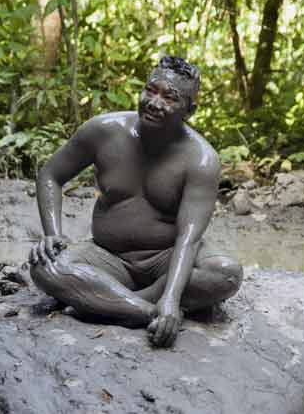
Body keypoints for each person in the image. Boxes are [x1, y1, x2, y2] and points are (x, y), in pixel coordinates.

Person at [29, 56, 243, 347]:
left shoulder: (201, 160)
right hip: (107, 256)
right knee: (46, 266)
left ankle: (104, 302)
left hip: (165, 260)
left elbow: (189, 239)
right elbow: (50, 175)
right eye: (150, 90)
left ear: (189, 110)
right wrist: (53, 235)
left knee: (225, 273)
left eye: (170, 97)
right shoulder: (103, 130)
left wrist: (170, 296)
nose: (155, 102)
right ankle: (142, 312)